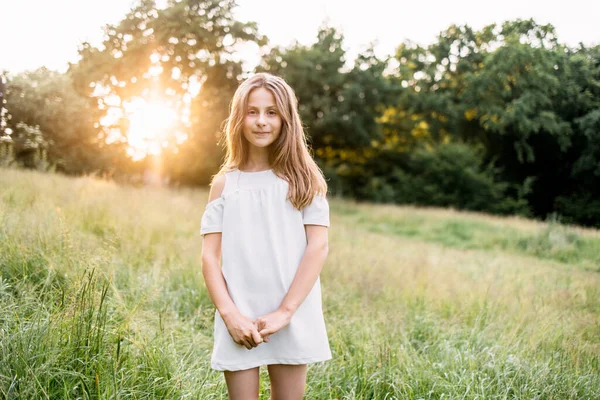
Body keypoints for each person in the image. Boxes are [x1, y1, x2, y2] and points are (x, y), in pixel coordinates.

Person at [200, 72, 332, 399]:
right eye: (252, 111)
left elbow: (318, 246)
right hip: (239, 314)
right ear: (238, 118)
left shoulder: (304, 179)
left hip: (291, 311)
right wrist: (230, 316)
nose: (261, 121)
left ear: (286, 119)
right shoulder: (225, 184)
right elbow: (208, 256)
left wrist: (285, 311)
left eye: (271, 112)